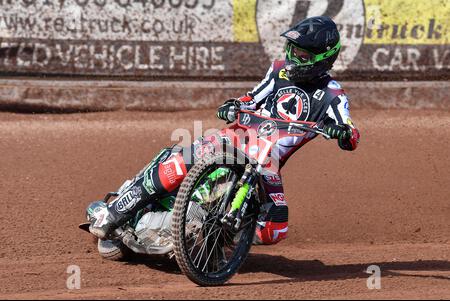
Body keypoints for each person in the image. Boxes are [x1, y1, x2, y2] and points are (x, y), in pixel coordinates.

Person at [88, 16, 360, 245]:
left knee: (274, 230)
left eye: (302, 54)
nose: (292, 58)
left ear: (323, 58)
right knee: (183, 161)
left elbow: (351, 132)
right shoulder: (278, 72)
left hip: (266, 162)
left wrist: (341, 133)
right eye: (292, 50)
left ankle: (205, 234)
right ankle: (116, 210)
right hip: (235, 139)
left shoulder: (332, 94)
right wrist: (232, 106)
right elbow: (250, 98)